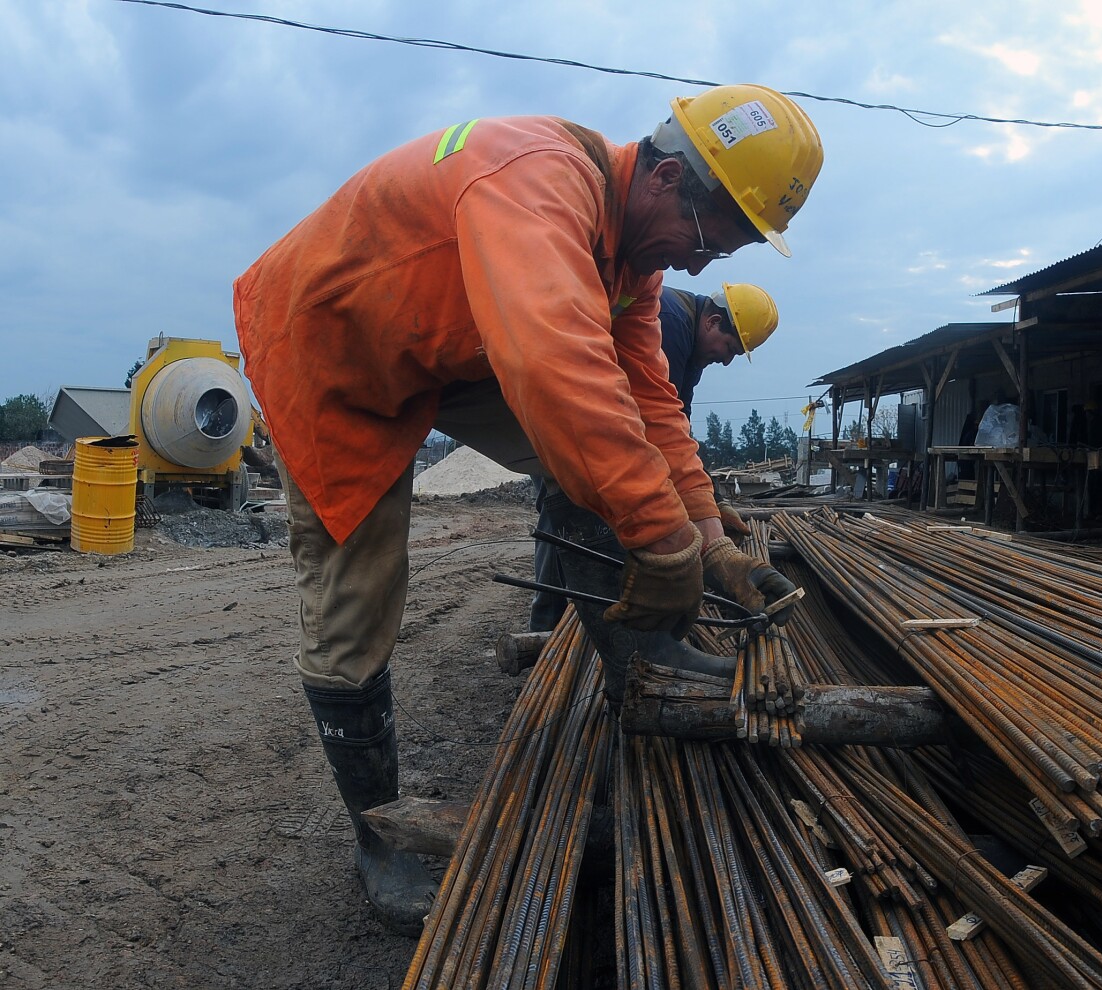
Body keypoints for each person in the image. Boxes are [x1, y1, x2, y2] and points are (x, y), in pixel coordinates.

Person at [233, 84, 822, 935]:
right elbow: (557, 371)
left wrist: (704, 532)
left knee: (596, 455)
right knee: (354, 599)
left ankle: (641, 669)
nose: (700, 268)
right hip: (332, 346)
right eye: (708, 242)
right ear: (663, 180)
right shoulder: (536, 184)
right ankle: (379, 834)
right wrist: (657, 544)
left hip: (443, 339)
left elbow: (648, 398)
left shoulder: (634, 259)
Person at [527, 281, 779, 632]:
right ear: (713, 322)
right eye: (730, 349)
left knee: (589, 517)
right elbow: (648, 421)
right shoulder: (670, 322)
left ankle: (586, 614)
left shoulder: (691, 344)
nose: (726, 360)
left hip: (597, 419)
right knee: (567, 513)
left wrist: (711, 500)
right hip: (563, 412)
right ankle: (546, 623)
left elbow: (676, 427)